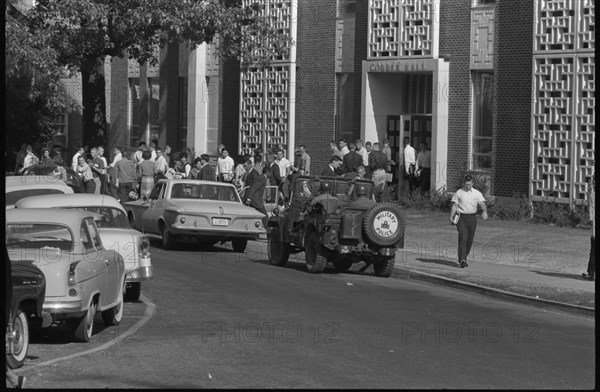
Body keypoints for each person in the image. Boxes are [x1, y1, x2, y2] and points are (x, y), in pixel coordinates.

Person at [449, 175, 488, 268]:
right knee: (463, 237)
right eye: (466, 184)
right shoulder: (459, 192)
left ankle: (464, 257)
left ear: (472, 183)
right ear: (464, 183)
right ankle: (462, 260)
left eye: (469, 184)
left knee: (469, 239)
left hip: (472, 218)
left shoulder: (477, 193)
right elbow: (455, 205)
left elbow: (482, 203)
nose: (467, 186)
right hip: (461, 217)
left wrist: (485, 211)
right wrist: (451, 217)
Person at [582, 171, 595, 281]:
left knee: (594, 250)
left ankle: (591, 273)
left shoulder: (593, 195)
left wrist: (591, 220)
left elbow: (591, 209)